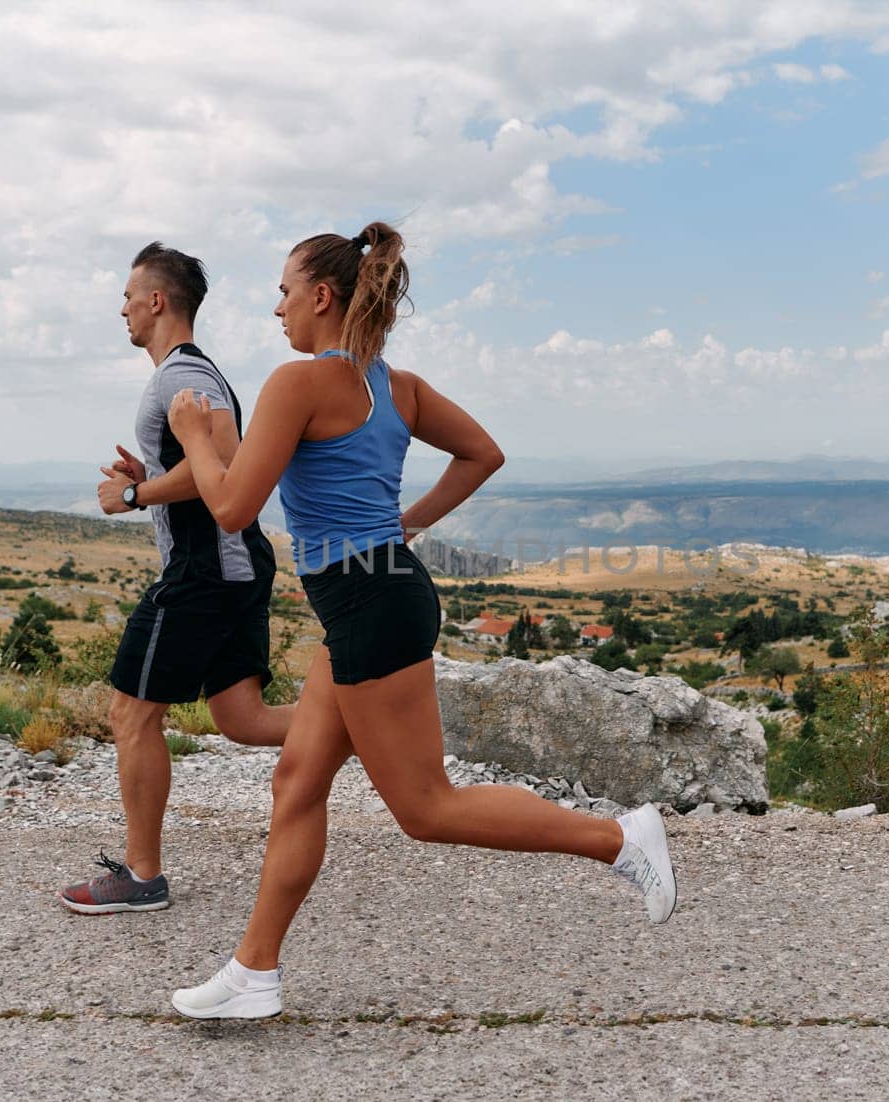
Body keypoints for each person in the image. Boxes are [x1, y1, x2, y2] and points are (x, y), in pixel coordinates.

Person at [162, 223, 675, 1019]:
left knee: (427, 808)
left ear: (322, 296)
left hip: (369, 606)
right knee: (297, 780)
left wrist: (195, 435)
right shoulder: (397, 387)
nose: (277, 310)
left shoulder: (298, 383)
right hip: (379, 593)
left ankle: (619, 839)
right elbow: (483, 454)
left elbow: (231, 509)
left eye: (284, 292)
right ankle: (253, 971)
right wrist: (408, 523)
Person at [59, 242, 295, 915]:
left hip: (207, 570)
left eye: (130, 295)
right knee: (244, 720)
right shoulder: (187, 374)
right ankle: (367, 726)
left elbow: (227, 460)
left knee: (131, 712)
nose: (123, 309)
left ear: (158, 300)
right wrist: (152, 481)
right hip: (231, 564)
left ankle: (141, 876)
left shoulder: (181, 379)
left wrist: (136, 497)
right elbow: (206, 466)